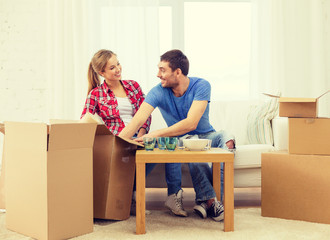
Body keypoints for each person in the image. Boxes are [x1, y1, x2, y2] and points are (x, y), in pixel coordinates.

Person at [119, 49, 235, 222]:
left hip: (207, 137)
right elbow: (137, 120)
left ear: (178, 72)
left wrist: (155, 133)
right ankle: (211, 202)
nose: (158, 74)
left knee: (227, 136)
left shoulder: (201, 85)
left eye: (163, 70)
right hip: (182, 141)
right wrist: (116, 144)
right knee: (190, 142)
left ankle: (211, 201)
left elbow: (191, 123)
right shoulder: (158, 91)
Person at [81, 49, 185, 216]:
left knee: (168, 146)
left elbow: (145, 114)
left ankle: (173, 196)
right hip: (118, 141)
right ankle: (132, 197)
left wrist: (143, 134)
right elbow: (85, 120)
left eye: (118, 64)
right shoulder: (96, 94)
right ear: (101, 72)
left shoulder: (133, 86)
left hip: (140, 138)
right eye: (112, 68)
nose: (118, 69)